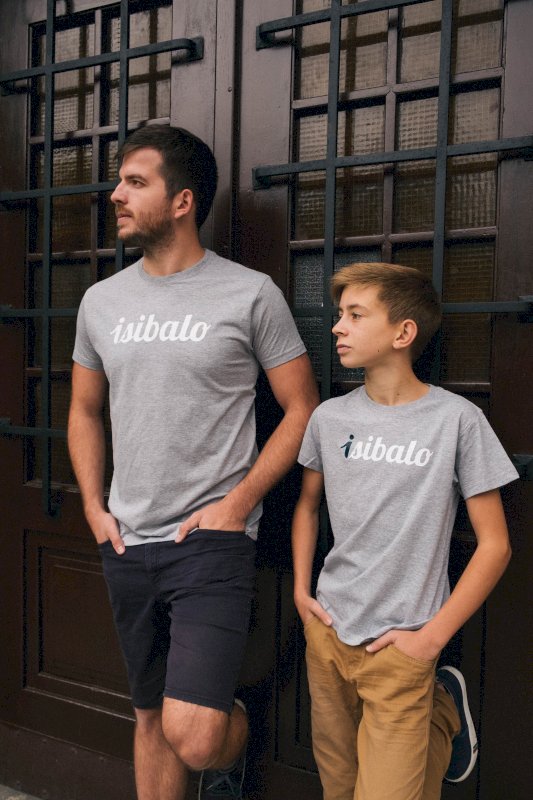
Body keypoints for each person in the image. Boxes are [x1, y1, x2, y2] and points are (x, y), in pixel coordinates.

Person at [67, 123, 319, 800]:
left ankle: (236, 730)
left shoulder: (249, 293)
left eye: (135, 182)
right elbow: (84, 410)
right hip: (127, 540)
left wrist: (237, 505)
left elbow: (302, 407)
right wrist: (93, 508)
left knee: (197, 736)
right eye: (119, 181)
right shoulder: (101, 301)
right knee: (150, 717)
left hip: (211, 542)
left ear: (182, 201)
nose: (115, 194)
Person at [292, 262, 518, 800]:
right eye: (340, 314)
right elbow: (307, 506)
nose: (337, 327)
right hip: (328, 634)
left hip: (403, 648)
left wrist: (431, 639)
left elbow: (496, 545)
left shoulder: (457, 420)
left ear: (403, 333)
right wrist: (302, 594)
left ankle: (440, 713)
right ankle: (435, 720)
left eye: (355, 315)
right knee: (339, 787)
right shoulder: (328, 418)